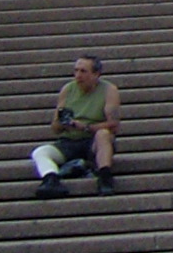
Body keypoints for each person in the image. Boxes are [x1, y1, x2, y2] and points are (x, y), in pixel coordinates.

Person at [31, 55, 120, 195]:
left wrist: (85, 127)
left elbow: (114, 125)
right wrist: (63, 123)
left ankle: (105, 177)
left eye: (83, 71)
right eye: (76, 71)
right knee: (40, 152)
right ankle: (51, 179)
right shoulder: (68, 89)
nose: (78, 75)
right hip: (69, 141)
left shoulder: (109, 90)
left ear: (96, 74)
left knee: (103, 134)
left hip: (92, 141)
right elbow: (55, 128)